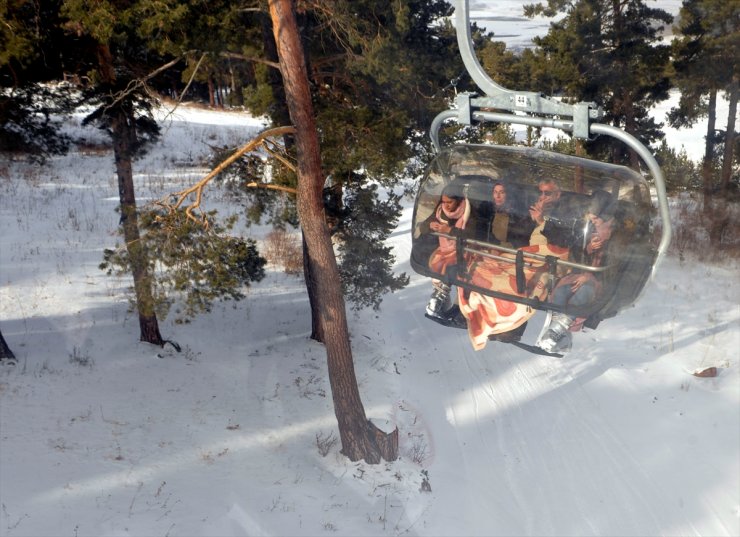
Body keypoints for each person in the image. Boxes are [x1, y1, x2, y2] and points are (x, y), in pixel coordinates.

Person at [457, 179, 571, 350]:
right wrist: (532, 221)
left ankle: (511, 326)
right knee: (485, 274)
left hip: (549, 259)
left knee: (523, 286)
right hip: (526, 253)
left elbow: (563, 242)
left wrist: (541, 222)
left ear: (558, 195)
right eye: (540, 193)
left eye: (547, 193)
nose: (542, 197)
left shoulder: (564, 213)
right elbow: (521, 235)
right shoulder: (530, 210)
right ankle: (481, 317)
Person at [538, 189, 616, 353]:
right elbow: (575, 252)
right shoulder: (589, 230)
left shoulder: (615, 237)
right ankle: (561, 337)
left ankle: (555, 332)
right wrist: (587, 249)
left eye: (596, 218)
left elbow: (614, 268)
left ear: (605, 217)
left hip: (600, 281)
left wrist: (589, 275)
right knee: (560, 292)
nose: (593, 221)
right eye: (592, 217)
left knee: (584, 291)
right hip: (580, 275)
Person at [417, 183, 472, 318]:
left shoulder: (468, 212)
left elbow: (474, 234)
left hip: (466, 251)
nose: (446, 205)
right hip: (445, 250)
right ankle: (440, 297)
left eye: (450, 202)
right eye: (443, 201)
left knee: (461, 272)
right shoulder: (440, 211)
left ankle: (460, 307)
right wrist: (430, 225)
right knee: (439, 264)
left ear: (459, 201)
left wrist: (450, 231)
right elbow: (423, 227)